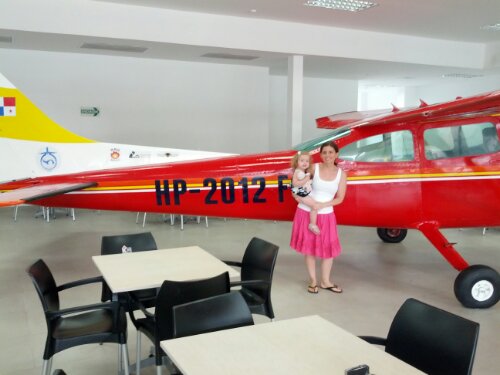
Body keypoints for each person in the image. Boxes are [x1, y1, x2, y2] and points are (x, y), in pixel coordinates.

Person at [290, 141, 347, 294]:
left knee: (328, 251)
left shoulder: (341, 174)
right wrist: (304, 201)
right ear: (320, 155)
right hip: (306, 213)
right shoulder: (313, 168)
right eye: (324, 152)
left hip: (326, 214)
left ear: (336, 154)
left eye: (330, 152)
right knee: (309, 250)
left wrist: (322, 205)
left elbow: (340, 198)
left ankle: (325, 281)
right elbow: (295, 188)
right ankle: (313, 280)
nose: (327, 155)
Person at [290, 151, 320, 235]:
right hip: (301, 194)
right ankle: (312, 224)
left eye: (307, 161)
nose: (305, 163)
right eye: (302, 160)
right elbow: (295, 184)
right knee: (315, 205)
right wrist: (306, 179)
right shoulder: (297, 172)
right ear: (297, 162)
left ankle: (313, 223)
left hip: (302, 193)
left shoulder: (302, 171)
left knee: (314, 205)